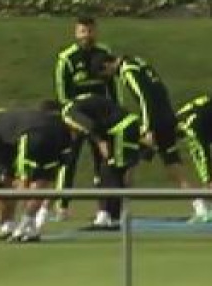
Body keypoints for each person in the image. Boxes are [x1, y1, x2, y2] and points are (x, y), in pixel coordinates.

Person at [89, 53, 202, 217]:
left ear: (106, 66)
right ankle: (199, 204)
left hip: (155, 124)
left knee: (126, 164)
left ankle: (119, 212)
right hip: (166, 118)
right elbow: (160, 89)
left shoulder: (128, 71)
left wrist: (148, 128)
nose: (109, 77)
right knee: (172, 165)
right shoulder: (138, 62)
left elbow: (144, 98)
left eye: (105, 74)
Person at [46, 16, 121, 222]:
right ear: (76, 33)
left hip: (102, 115)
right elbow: (62, 93)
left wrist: (116, 111)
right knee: (69, 160)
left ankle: (103, 209)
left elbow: (113, 86)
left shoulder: (104, 53)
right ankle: (62, 206)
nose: (87, 35)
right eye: (82, 31)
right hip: (77, 115)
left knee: (103, 161)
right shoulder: (67, 58)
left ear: (96, 32)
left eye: (90, 31)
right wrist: (68, 115)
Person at [0, 102, 73, 243]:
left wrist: (5, 170)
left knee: (23, 183)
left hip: (31, 136)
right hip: (58, 131)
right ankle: (28, 224)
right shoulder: (14, 115)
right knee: (41, 183)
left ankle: (13, 225)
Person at [61, 94, 154, 229]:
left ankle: (109, 217)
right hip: (128, 125)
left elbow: (89, 125)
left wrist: (100, 142)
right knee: (111, 171)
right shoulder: (82, 102)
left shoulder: (67, 113)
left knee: (110, 172)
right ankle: (110, 216)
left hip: (120, 129)